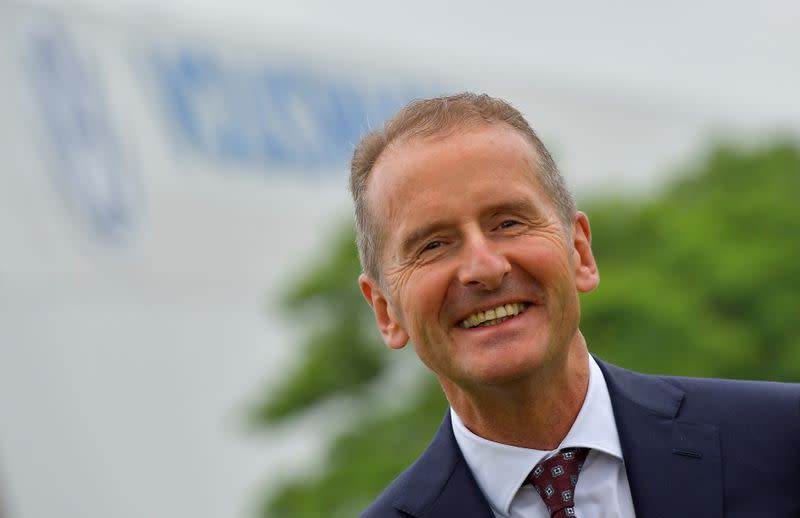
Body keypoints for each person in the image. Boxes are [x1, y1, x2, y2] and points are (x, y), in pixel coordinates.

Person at [350, 93, 800, 517]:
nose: (484, 268)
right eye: (433, 246)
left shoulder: (785, 442)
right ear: (386, 311)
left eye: (508, 222)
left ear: (581, 252)